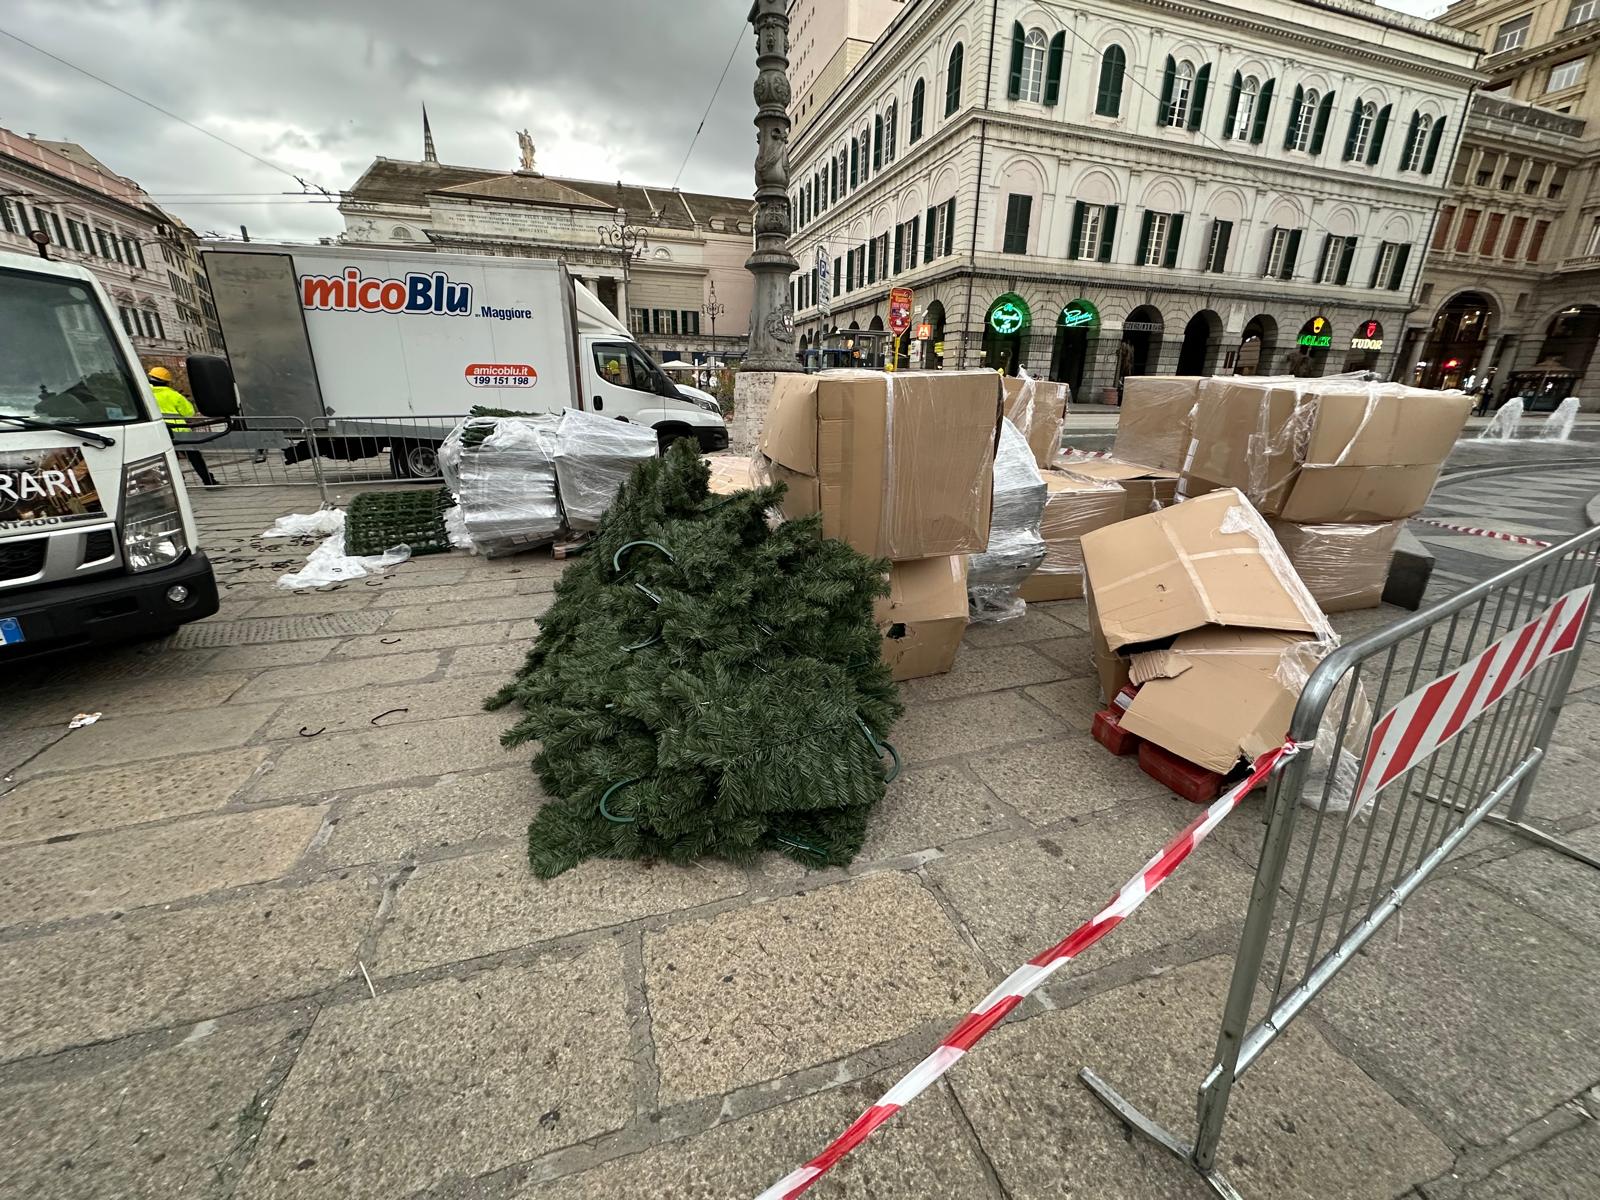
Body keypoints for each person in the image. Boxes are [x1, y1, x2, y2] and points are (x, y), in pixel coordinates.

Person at [147, 366, 218, 486]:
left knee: (170, 459)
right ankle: (208, 480)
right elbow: (189, 412)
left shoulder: (145, 393)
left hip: (159, 432)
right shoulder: (174, 395)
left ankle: (179, 481)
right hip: (180, 432)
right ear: (166, 381)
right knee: (195, 457)